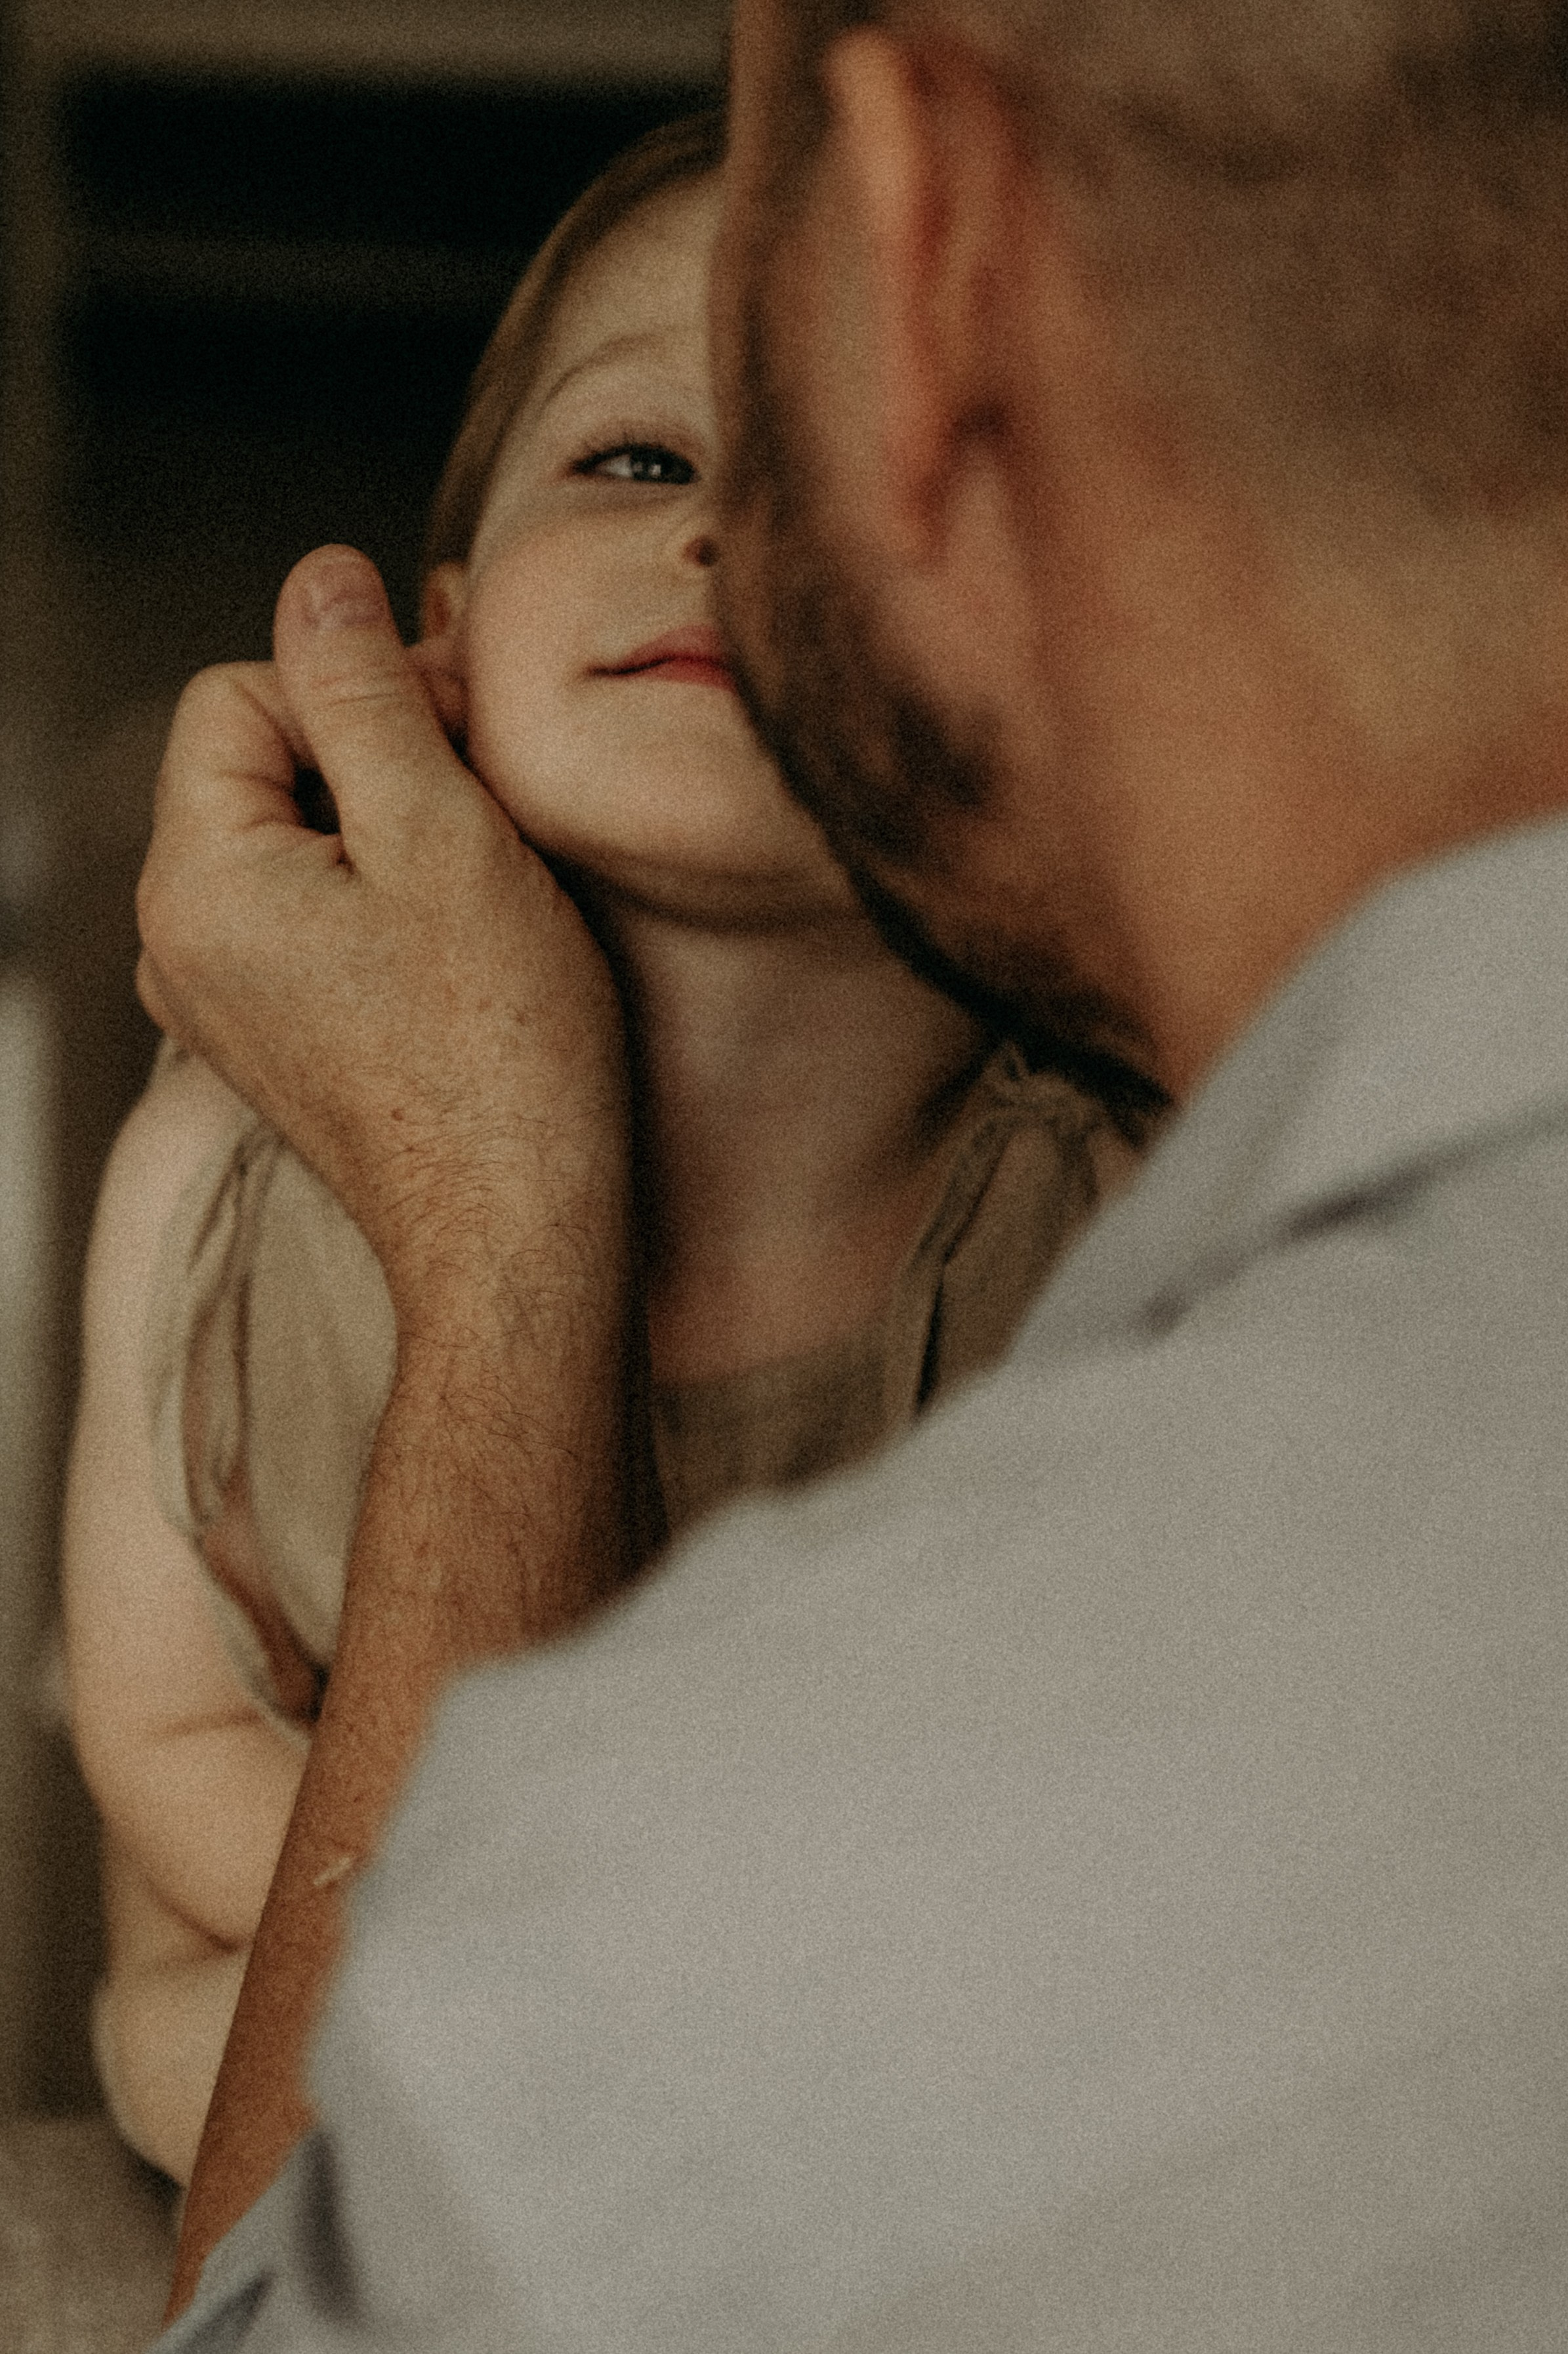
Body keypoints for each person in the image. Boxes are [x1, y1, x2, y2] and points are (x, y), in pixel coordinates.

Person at [144, 0, 1568, 2340]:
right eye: (615, 456)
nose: (696, 522)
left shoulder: (720, 1991)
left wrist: (507, 1241)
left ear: (924, 255)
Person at [61, 115, 1137, 2199]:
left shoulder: (1115, 1216)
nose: (732, 526)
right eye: (638, 461)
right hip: (349, 1985)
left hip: (894, 2068)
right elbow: (172, 1741)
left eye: (849, 483)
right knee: (162, 2031)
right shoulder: (218, 1183)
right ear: (427, 646)